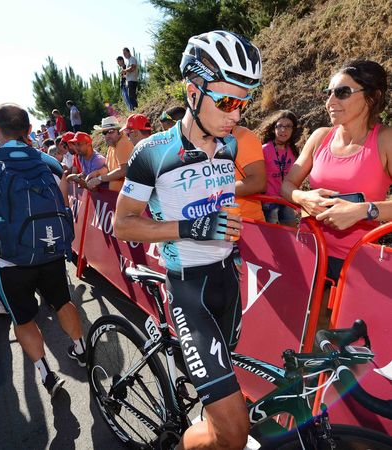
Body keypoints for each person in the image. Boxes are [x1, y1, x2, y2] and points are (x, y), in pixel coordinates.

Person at [114, 30, 262, 450]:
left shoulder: (229, 144)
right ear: (193, 91)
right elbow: (124, 224)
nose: (237, 114)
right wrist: (191, 227)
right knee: (234, 433)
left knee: (222, 418)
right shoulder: (153, 151)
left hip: (228, 279)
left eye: (246, 102)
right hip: (189, 290)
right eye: (228, 102)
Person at [0, 103, 87, 397]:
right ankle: (81, 348)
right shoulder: (51, 163)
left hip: (10, 260)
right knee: (62, 301)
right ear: (29, 130)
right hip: (50, 250)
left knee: (23, 318)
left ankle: (46, 374)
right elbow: (62, 205)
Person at [282, 59, 392, 286]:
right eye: (329, 93)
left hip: (355, 264)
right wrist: (303, 197)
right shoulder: (320, 136)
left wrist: (363, 211)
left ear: (372, 97)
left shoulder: (385, 140)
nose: (330, 102)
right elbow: (287, 185)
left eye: (342, 92)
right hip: (308, 252)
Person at [259, 110, 300, 226]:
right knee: (274, 234)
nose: (283, 130)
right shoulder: (264, 150)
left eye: (288, 126)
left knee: (292, 233)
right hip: (269, 202)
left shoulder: (293, 151)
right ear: (273, 129)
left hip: (286, 201)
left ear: (293, 130)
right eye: (280, 126)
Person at [86, 116, 133, 192]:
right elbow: (108, 168)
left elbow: (124, 170)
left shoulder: (123, 143)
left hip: (127, 193)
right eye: (104, 132)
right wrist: (97, 173)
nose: (107, 135)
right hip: (119, 194)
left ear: (119, 132)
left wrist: (100, 179)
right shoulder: (112, 145)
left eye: (111, 131)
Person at [232, 125, 266, 221]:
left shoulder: (241, 136)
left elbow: (258, 182)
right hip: (207, 222)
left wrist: (211, 191)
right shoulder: (195, 139)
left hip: (246, 221)